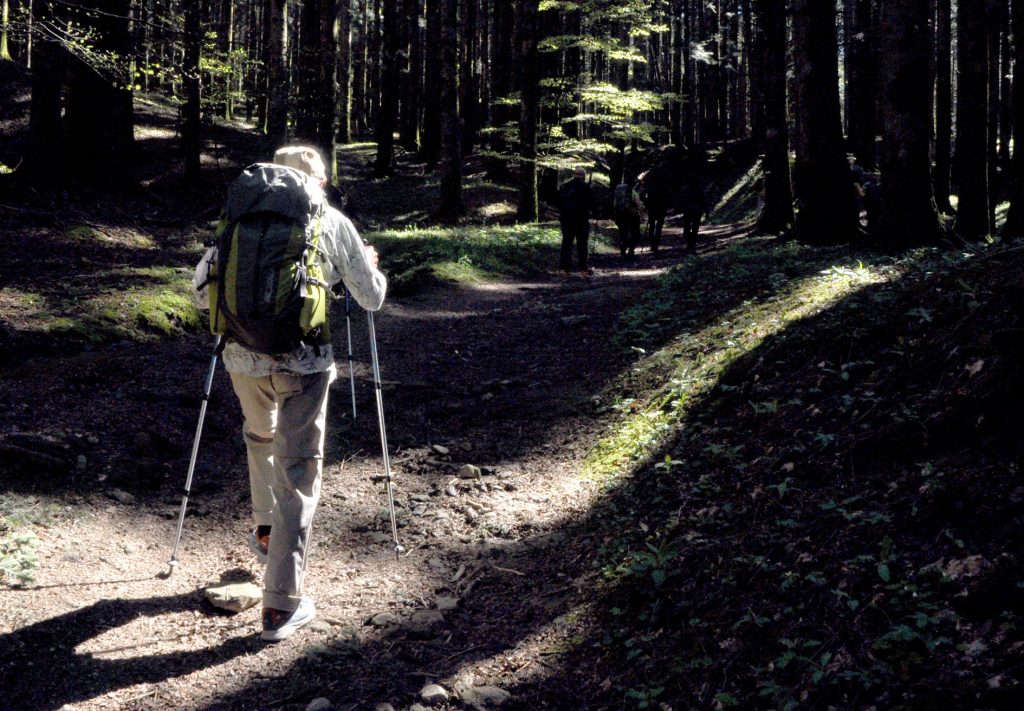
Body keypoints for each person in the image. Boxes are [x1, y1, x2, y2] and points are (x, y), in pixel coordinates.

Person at [192, 146, 387, 642]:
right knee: (298, 472)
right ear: (317, 181)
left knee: (259, 437)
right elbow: (371, 297)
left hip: (240, 358)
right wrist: (367, 265)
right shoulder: (331, 218)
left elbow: (201, 288)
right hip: (304, 362)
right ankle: (281, 605)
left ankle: (265, 530)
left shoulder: (240, 215)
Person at [558, 167, 593, 273]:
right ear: (584, 176)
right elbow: (591, 203)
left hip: (566, 219)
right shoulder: (586, 187)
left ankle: (564, 268)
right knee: (582, 244)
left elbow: (559, 202)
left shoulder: (564, 186)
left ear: (574, 175)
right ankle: (583, 268)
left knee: (566, 243)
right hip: (581, 219)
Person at [679, 173, 710, 254]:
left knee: (687, 227)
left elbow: (681, 201)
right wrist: (707, 211)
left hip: (688, 211)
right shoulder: (699, 189)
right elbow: (704, 200)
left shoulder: (685, 189)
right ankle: (692, 245)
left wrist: (681, 209)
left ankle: (690, 245)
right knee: (694, 228)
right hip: (696, 210)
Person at [612, 179, 642, 260]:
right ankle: (631, 250)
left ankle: (622, 253)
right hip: (632, 216)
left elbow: (615, 205)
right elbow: (639, 205)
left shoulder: (617, 193)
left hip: (620, 216)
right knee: (634, 232)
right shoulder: (633, 192)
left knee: (623, 233)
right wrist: (641, 212)